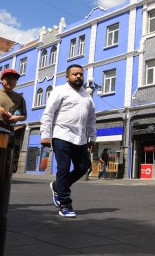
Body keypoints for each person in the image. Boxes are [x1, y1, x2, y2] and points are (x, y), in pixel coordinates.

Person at [40, 64, 96, 218]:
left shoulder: (87, 95)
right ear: (67, 77)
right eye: (74, 74)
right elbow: (48, 114)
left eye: (80, 74)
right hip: (62, 135)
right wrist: (45, 134)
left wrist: (92, 137)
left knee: (83, 167)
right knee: (63, 169)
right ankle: (65, 203)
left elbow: (91, 119)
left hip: (81, 137)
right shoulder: (59, 91)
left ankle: (58, 186)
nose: (78, 76)